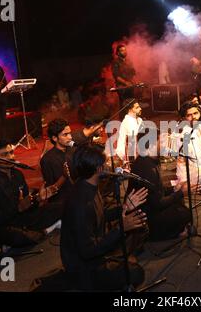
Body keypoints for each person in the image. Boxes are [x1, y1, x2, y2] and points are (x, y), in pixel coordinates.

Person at [60, 144, 148, 291]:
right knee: (137, 273)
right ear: (98, 169)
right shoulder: (81, 203)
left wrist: (124, 207)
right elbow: (87, 251)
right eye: (106, 162)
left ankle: (120, 261)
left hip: (94, 251)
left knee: (142, 228)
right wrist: (122, 228)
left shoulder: (87, 185)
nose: (108, 165)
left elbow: (101, 215)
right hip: (85, 267)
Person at [0, 140, 62, 247]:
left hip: (22, 219)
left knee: (60, 206)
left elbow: (27, 204)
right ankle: (44, 231)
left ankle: (38, 232)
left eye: (11, 152)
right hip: (5, 225)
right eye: (5, 155)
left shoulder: (17, 174)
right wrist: (18, 208)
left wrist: (38, 198)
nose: (11, 157)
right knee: (18, 237)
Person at [127, 131, 192, 241]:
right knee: (185, 213)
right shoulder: (147, 168)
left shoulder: (148, 161)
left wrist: (174, 189)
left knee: (179, 203)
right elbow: (157, 204)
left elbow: (155, 191)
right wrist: (181, 193)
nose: (164, 145)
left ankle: (177, 230)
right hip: (146, 217)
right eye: (161, 142)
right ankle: (161, 235)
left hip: (150, 207)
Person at [174, 101, 201, 187]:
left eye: (195, 113)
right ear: (184, 118)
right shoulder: (182, 135)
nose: (194, 117)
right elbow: (199, 159)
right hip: (194, 172)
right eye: (189, 115)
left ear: (200, 113)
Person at [40, 119, 74, 209]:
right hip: (61, 204)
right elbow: (50, 190)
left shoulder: (72, 151)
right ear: (54, 138)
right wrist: (64, 176)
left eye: (70, 133)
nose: (70, 137)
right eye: (65, 135)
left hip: (76, 196)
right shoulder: (47, 159)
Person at [112, 44, 137, 108]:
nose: (125, 51)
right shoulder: (115, 62)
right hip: (122, 87)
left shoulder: (129, 61)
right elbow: (117, 76)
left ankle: (131, 117)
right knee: (124, 105)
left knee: (132, 104)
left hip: (130, 85)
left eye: (125, 50)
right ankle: (123, 117)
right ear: (118, 53)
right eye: (122, 50)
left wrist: (134, 81)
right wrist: (126, 83)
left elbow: (133, 72)